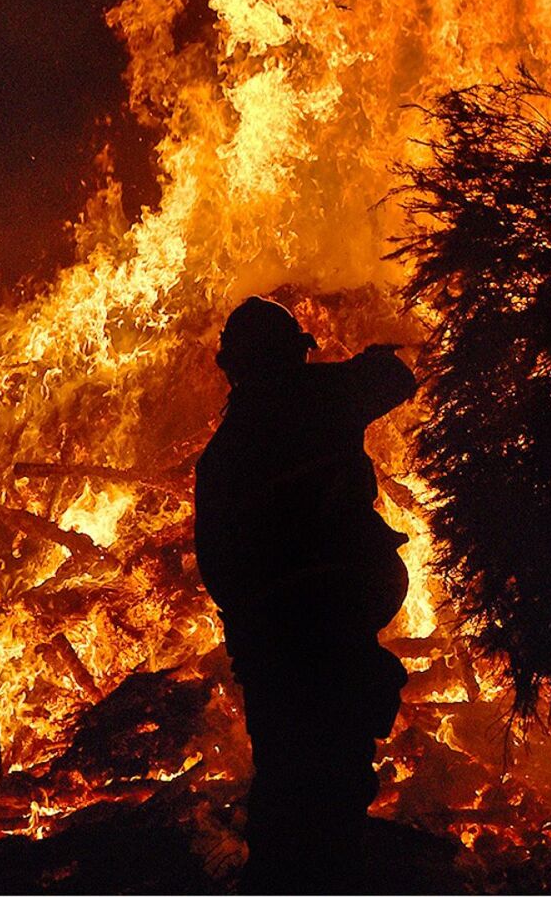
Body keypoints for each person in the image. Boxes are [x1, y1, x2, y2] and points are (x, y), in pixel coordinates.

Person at [194, 296, 417, 892]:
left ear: (233, 368)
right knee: (339, 767)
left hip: (278, 638)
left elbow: (218, 568)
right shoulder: (324, 397)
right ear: (295, 353)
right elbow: (395, 378)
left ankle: (287, 873)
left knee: (286, 773)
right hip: (339, 618)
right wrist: (373, 356)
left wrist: (255, 634)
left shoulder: (223, 456)